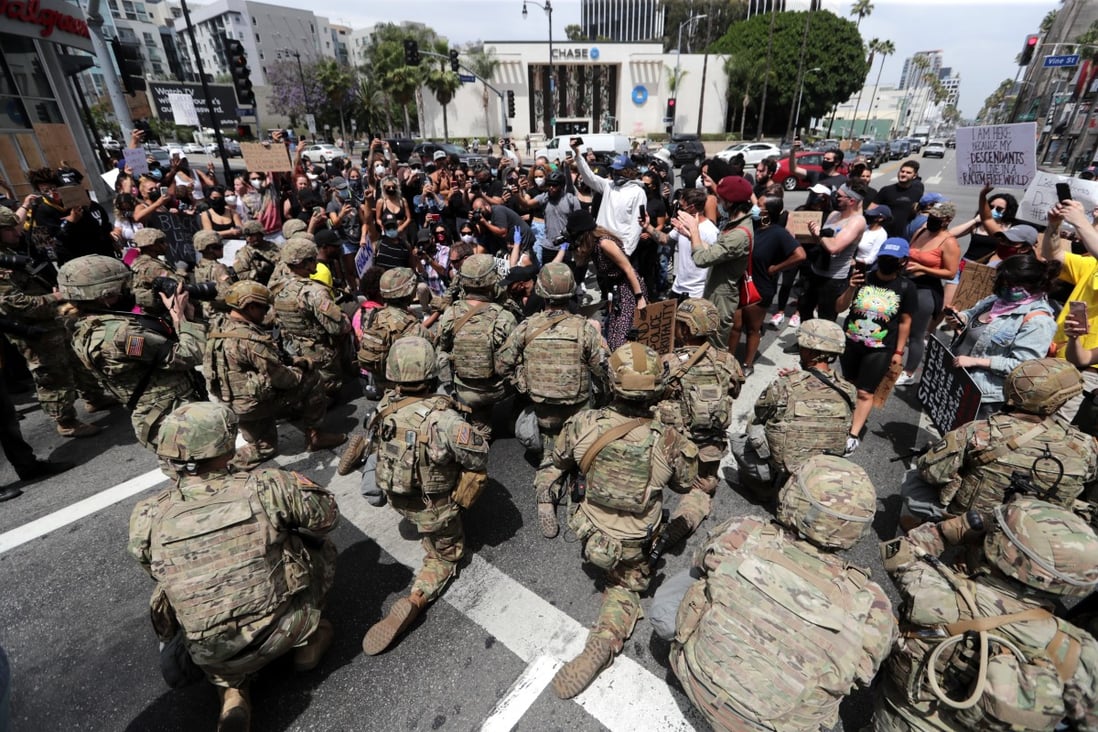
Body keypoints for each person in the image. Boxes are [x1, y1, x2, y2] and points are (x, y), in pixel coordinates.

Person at [127, 402, 338, 731]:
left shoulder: (148, 514)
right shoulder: (266, 485)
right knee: (317, 547)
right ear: (226, 445)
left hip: (210, 652)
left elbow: (153, 571)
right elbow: (327, 517)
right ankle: (308, 641)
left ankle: (232, 691)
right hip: (281, 629)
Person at [651, 455, 894, 732]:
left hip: (695, 676)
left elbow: (699, 560)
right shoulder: (873, 604)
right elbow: (861, 675)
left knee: (687, 585)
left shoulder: (745, 531)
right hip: (771, 727)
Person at [548, 343, 697, 699]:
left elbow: (560, 458)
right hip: (634, 544)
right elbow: (685, 482)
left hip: (588, 528)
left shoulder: (584, 423)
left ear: (612, 384)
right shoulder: (667, 439)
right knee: (626, 588)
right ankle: (604, 638)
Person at [874, 498, 1098, 731]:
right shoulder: (1078, 650)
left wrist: (946, 531)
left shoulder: (939, 590)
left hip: (900, 716)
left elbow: (896, 554)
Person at [362, 337, 489, 656]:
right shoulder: (444, 419)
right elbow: (478, 457)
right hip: (434, 508)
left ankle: (424, 528)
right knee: (445, 555)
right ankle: (416, 599)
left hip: (397, 496)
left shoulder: (384, 406)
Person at [903, 358, 1096, 525]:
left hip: (973, 523)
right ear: (1060, 402)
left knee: (912, 480)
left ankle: (936, 531)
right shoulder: (1086, 445)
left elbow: (931, 473)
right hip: (1038, 532)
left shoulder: (979, 430)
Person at [496, 263, 609, 538]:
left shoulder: (526, 327)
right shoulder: (584, 329)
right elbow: (603, 371)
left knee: (551, 456)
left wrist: (523, 379)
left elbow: (501, 366)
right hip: (580, 413)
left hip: (545, 414)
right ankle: (578, 501)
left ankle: (546, 494)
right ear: (570, 293)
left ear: (542, 292)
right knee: (584, 458)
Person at [59, 255, 205, 450]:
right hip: (173, 416)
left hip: (158, 414)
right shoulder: (123, 334)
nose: (129, 292)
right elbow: (188, 354)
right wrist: (182, 319)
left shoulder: (82, 322)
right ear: (106, 295)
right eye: (123, 288)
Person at [205, 281, 346, 469]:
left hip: (231, 402)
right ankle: (315, 436)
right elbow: (285, 380)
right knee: (313, 377)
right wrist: (301, 368)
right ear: (250, 306)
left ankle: (218, 465)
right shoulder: (250, 341)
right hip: (254, 405)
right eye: (263, 307)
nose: (266, 312)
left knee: (265, 448)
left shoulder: (218, 326)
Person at [0, 206, 110, 437]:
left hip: (52, 320)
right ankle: (67, 422)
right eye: (10, 229)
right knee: (53, 376)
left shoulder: (11, 252)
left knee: (76, 361)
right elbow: (17, 304)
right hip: (34, 330)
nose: (17, 233)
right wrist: (56, 297)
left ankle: (95, 397)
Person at [655, 298, 744, 557]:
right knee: (703, 489)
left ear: (686, 330)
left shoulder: (669, 361)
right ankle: (690, 513)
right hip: (709, 447)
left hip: (673, 446)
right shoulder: (727, 361)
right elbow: (735, 392)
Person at [730, 319, 855, 497]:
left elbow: (761, 412)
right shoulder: (848, 389)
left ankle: (763, 485)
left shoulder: (784, 385)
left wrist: (792, 382)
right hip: (824, 463)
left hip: (787, 463)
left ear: (811, 351)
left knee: (754, 422)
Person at [942, 253, 1059, 415]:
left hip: (985, 394)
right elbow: (971, 313)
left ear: (1034, 286)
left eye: (1012, 284)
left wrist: (976, 361)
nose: (1006, 288)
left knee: (968, 436)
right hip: (960, 378)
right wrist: (959, 317)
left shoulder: (1039, 321)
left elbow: (1023, 366)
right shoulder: (996, 300)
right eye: (1003, 282)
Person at [835, 238, 916, 456]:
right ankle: (841, 419)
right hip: (851, 343)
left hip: (880, 349)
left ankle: (853, 434)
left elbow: (905, 322)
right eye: (884, 258)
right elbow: (839, 306)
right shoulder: (862, 279)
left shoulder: (907, 287)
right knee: (848, 384)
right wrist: (851, 287)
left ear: (903, 261)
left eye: (892, 259)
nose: (886, 262)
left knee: (864, 392)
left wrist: (899, 352)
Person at [436, 255, 518, 436]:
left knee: (440, 353)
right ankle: (516, 417)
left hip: (464, 389)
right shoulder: (504, 316)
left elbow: (443, 346)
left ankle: (477, 421)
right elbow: (515, 357)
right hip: (499, 390)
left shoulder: (451, 313)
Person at [677, 176, 754, 351]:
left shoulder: (739, 234)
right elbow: (715, 250)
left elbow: (701, 259)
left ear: (730, 202)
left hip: (722, 296)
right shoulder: (736, 224)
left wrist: (695, 229)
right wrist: (691, 235)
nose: (717, 203)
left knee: (714, 348)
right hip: (717, 291)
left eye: (719, 199)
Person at [730, 195, 804, 374]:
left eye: (758, 205)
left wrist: (776, 268)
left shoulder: (778, 233)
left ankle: (747, 364)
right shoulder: (751, 226)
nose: (754, 207)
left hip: (759, 288)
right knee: (735, 326)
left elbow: (800, 254)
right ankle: (728, 361)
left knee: (753, 329)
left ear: (767, 212)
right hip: (740, 284)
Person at [1040, 199, 1098, 419]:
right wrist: (1054, 226)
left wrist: (1080, 221)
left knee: (1060, 431)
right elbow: (1052, 255)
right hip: (1059, 357)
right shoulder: (1092, 264)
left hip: (1090, 372)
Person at [271, 240, 352, 398]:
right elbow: (337, 328)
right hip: (320, 353)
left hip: (294, 349)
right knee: (330, 390)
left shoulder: (277, 287)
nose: (316, 262)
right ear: (304, 263)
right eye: (313, 259)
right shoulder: (313, 292)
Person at [896, 200, 961, 385]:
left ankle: (909, 373)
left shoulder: (949, 242)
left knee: (916, 333)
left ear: (947, 220)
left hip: (926, 288)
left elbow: (950, 272)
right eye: (930, 215)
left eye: (936, 218)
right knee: (896, 326)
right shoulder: (921, 231)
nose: (931, 219)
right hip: (907, 283)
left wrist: (924, 269)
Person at [566, 209, 646, 350]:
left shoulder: (604, 243)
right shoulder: (593, 245)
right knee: (613, 332)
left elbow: (628, 268)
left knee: (622, 335)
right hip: (616, 289)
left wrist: (639, 297)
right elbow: (580, 262)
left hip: (629, 287)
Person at [353, 267, 434, 397]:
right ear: (409, 292)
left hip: (379, 382)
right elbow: (432, 345)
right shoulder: (410, 324)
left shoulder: (373, 314)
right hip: (403, 387)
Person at [802, 182, 868, 323]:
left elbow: (835, 247)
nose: (835, 197)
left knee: (825, 318)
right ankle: (803, 343)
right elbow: (822, 242)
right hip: (816, 271)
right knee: (804, 309)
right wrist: (813, 232)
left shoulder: (857, 222)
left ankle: (821, 344)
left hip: (833, 278)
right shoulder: (834, 215)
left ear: (851, 201)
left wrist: (818, 233)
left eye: (839, 196)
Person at [570, 140, 647, 256]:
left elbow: (636, 225)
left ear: (629, 172)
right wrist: (578, 154)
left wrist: (627, 251)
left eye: (619, 170)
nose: (616, 173)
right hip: (601, 243)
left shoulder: (638, 192)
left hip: (621, 247)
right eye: (614, 170)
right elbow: (589, 177)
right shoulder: (608, 185)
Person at [645, 188, 712, 301]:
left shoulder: (710, 231)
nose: (678, 211)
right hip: (677, 289)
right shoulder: (682, 226)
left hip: (697, 293)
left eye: (680, 207)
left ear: (691, 208)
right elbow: (664, 239)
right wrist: (647, 226)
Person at [870, 159, 924, 239]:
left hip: (904, 236)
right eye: (902, 171)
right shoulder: (886, 190)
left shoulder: (917, 192)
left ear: (914, 176)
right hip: (884, 234)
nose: (904, 174)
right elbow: (871, 209)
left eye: (908, 173)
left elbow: (919, 211)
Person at [233, 221, 280, 286]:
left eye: (252, 235)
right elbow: (241, 275)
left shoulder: (273, 246)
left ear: (260, 234)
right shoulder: (242, 254)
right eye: (247, 236)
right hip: (259, 286)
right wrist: (258, 271)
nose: (249, 238)